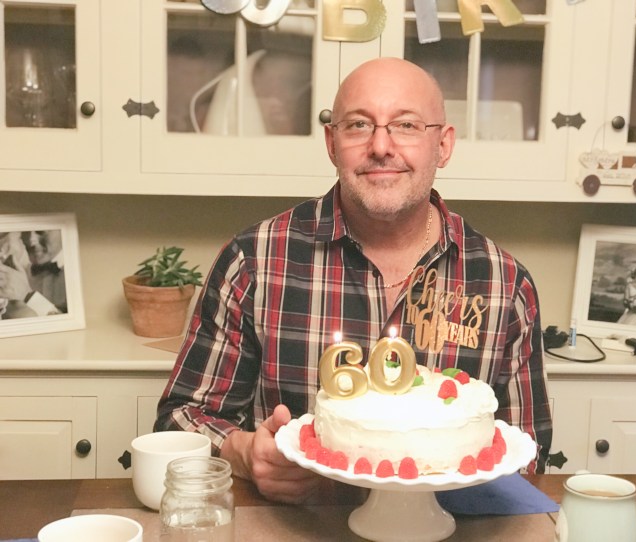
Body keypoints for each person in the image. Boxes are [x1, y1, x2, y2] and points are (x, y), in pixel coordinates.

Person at [155, 57, 552, 504]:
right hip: (297, 526)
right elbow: (181, 419)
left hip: (451, 529)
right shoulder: (255, 261)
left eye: (406, 125)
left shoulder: (504, 284)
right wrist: (243, 453)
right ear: (331, 143)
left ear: (442, 145)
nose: (381, 146)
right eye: (359, 125)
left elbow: (527, 456)